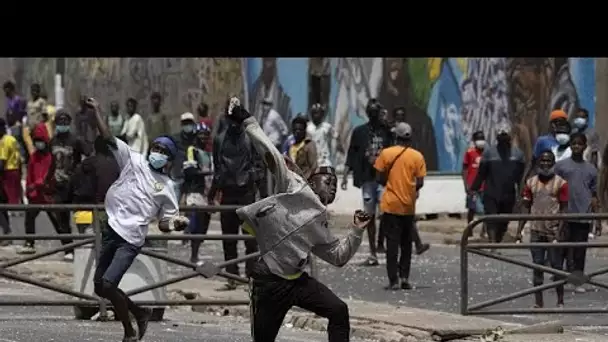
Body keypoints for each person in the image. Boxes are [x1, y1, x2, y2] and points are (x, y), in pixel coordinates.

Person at [225, 99, 371, 342]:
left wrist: (356, 231)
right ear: (312, 181)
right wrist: (246, 119)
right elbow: (269, 152)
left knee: (338, 310)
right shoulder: (294, 186)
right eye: (327, 180)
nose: (332, 186)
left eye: (335, 184)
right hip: (269, 282)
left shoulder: (321, 221)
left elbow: (337, 256)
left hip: (296, 282)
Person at [87, 97, 189, 342]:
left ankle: (129, 332)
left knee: (110, 284)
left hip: (130, 239)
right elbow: (109, 137)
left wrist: (174, 224)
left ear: (169, 159)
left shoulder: (167, 187)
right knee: (99, 286)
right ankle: (139, 313)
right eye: (156, 148)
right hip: (112, 228)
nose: (158, 154)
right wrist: (98, 110)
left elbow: (164, 223)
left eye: (164, 152)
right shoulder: (133, 159)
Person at [209, 98, 266, 290]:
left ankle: (251, 276)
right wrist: (213, 193)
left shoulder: (251, 138)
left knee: (250, 240)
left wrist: (254, 182)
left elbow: (260, 165)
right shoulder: (219, 139)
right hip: (228, 193)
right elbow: (217, 169)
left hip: (246, 195)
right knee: (229, 239)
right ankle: (232, 276)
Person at [374, 122, 426, 290]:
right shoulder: (417, 156)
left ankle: (393, 280)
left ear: (396, 136)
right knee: (406, 244)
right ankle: (404, 277)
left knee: (392, 245)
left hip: (390, 205)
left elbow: (379, 179)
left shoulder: (386, 154)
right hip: (408, 206)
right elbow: (420, 182)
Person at [342, 99, 392, 266]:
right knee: (369, 217)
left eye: (375, 111)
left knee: (387, 213)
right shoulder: (359, 132)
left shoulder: (387, 131)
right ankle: (372, 253)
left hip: (384, 179)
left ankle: (382, 244)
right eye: (370, 111)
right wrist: (345, 176)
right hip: (367, 179)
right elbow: (351, 153)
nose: (373, 114)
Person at [516, 150, 568, 308]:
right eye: (543, 161)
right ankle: (539, 302)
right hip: (536, 231)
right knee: (537, 266)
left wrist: (560, 231)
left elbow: (565, 209)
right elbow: (525, 208)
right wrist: (519, 229)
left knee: (556, 266)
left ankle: (560, 300)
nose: (545, 164)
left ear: (554, 163)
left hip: (553, 231)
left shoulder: (561, 183)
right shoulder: (531, 183)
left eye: (549, 161)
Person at [555, 132, 599, 294]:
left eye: (579, 144)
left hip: (583, 215)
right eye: (573, 144)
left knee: (580, 250)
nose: (576, 147)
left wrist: (597, 219)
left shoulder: (591, 169)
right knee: (563, 248)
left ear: (584, 146)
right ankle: (560, 278)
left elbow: (594, 195)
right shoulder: (561, 166)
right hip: (565, 214)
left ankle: (577, 280)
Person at [18, 123, 69, 257]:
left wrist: (43, 184)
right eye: (36, 141)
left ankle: (68, 248)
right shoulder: (34, 157)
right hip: (35, 195)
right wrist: (29, 189)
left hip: (47, 195)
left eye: (40, 141)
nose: (38, 144)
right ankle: (30, 243)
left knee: (57, 222)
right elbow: (30, 174)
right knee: (29, 218)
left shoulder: (50, 157)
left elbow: (50, 174)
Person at [471, 124, 525, 246]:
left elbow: (520, 177)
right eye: (501, 137)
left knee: (504, 220)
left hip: (508, 194)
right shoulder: (489, 153)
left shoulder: (518, 155)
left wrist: (521, 193)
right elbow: (481, 174)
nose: (503, 140)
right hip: (491, 192)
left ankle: (498, 240)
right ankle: (492, 243)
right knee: (491, 218)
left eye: (506, 137)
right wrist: (474, 188)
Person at [50, 110, 88, 261]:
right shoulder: (52, 141)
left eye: (65, 121)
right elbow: (50, 162)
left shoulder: (76, 140)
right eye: (60, 122)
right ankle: (68, 249)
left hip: (74, 185)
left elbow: (87, 155)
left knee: (81, 216)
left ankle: (88, 245)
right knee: (61, 219)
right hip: (58, 186)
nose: (62, 124)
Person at [71, 136, 121, 234]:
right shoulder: (115, 165)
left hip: (82, 211)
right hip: (105, 211)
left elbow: (73, 184)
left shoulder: (83, 164)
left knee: (87, 242)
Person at [182, 123, 214, 264]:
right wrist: (208, 173)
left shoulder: (209, 154)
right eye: (201, 134)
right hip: (195, 191)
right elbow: (190, 170)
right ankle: (193, 256)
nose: (203, 138)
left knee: (204, 227)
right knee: (197, 224)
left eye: (206, 135)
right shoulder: (192, 150)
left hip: (207, 192)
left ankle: (195, 251)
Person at [526, 110, 570, 179]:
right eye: (556, 122)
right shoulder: (542, 141)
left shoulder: (569, 141)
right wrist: (527, 176)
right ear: (551, 124)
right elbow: (533, 161)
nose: (559, 124)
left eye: (562, 122)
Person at [463, 131, 486, 238]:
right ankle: (469, 230)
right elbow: (464, 169)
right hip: (472, 185)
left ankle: (484, 232)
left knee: (487, 210)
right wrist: (466, 184)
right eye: (478, 139)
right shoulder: (469, 152)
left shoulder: (487, 153)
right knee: (471, 209)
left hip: (485, 185)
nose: (480, 141)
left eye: (482, 138)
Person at [286, 116, 318, 180]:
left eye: (300, 129)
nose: (297, 132)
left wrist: (307, 179)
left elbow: (314, 166)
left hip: (305, 182)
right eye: (295, 129)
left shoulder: (309, 145)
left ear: (304, 130)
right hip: (292, 181)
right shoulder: (291, 146)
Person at [307, 103, 336, 167]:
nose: (316, 115)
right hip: (311, 160)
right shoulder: (308, 127)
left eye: (318, 113)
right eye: (314, 113)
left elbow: (336, 136)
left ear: (322, 114)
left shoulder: (327, 127)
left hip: (325, 160)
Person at [23, 83, 47, 156]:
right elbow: (28, 115)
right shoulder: (29, 103)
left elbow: (45, 115)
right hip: (30, 128)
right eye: (33, 91)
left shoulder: (41, 101)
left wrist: (40, 125)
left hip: (38, 128)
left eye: (36, 91)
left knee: (40, 146)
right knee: (31, 146)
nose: (34, 92)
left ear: (39, 92)